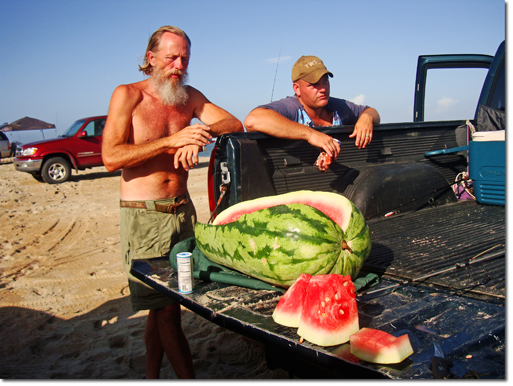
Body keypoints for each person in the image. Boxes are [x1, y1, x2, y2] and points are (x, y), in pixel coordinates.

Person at [102, 26, 243, 379]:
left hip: (182, 212)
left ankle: (151, 375)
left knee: (162, 306)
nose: (178, 65)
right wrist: (170, 142)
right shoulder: (128, 95)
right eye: (170, 57)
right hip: (144, 217)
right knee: (168, 310)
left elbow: (233, 122)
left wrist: (198, 137)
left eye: (184, 58)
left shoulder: (188, 97)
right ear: (150, 59)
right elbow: (111, 157)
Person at [244, 55, 380, 159]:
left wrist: (366, 117)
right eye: (314, 84)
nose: (322, 89)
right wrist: (310, 134)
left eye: (325, 81)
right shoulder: (291, 107)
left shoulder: (338, 107)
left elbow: (372, 112)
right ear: (297, 89)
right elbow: (252, 120)